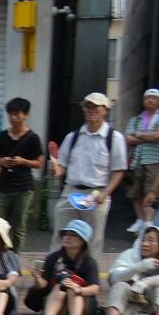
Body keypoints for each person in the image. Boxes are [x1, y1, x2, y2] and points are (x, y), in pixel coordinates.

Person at [50, 92, 128, 259]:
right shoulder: (73, 136)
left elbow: (119, 171)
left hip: (97, 194)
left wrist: (105, 194)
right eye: (87, 106)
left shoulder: (114, 138)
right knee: (60, 235)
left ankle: (89, 279)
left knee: (92, 240)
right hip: (70, 192)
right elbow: (62, 166)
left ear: (105, 110)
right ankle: (53, 274)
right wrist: (56, 171)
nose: (90, 110)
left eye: (95, 107)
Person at [0, 97, 44, 251]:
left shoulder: (33, 138)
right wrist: (2, 162)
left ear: (25, 115)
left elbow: (39, 163)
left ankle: (15, 257)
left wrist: (22, 161)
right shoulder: (1, 137)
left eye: (17, 114)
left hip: (24, 188)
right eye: (11, 114)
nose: (13, 118)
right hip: (3, 187)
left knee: (19, 226)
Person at [28, 219, 100, 315]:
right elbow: (44, 285)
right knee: (60, 286)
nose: (67, 237)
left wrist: (78, 289)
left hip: (83, 309)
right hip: (59, 308)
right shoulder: (53, 258)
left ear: (83, 241)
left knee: (72, 288)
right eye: (66, 234)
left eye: (73, 235)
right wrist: (36, 277)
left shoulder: (89, 262)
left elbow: (95, 288)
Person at [104, 224, 159, 315]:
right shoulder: (130, 254)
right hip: (129, 300)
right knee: (119, 285)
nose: (145, 244)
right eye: (143, 240)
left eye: (151, 241)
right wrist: (137, 268)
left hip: (152, 302)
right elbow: (114, 278)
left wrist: (146, 282)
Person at [125, 88, 159, 233]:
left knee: (151, 191)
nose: (150, 100)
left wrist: (139, 135)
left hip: (155, 159)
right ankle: (140, 219)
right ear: (143, 101)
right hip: (137, 159)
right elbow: (128, 138)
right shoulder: (136, 119)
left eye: (153, 98)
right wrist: (149, 136)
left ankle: (148, 221)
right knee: (135, 190)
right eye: (147, 98)